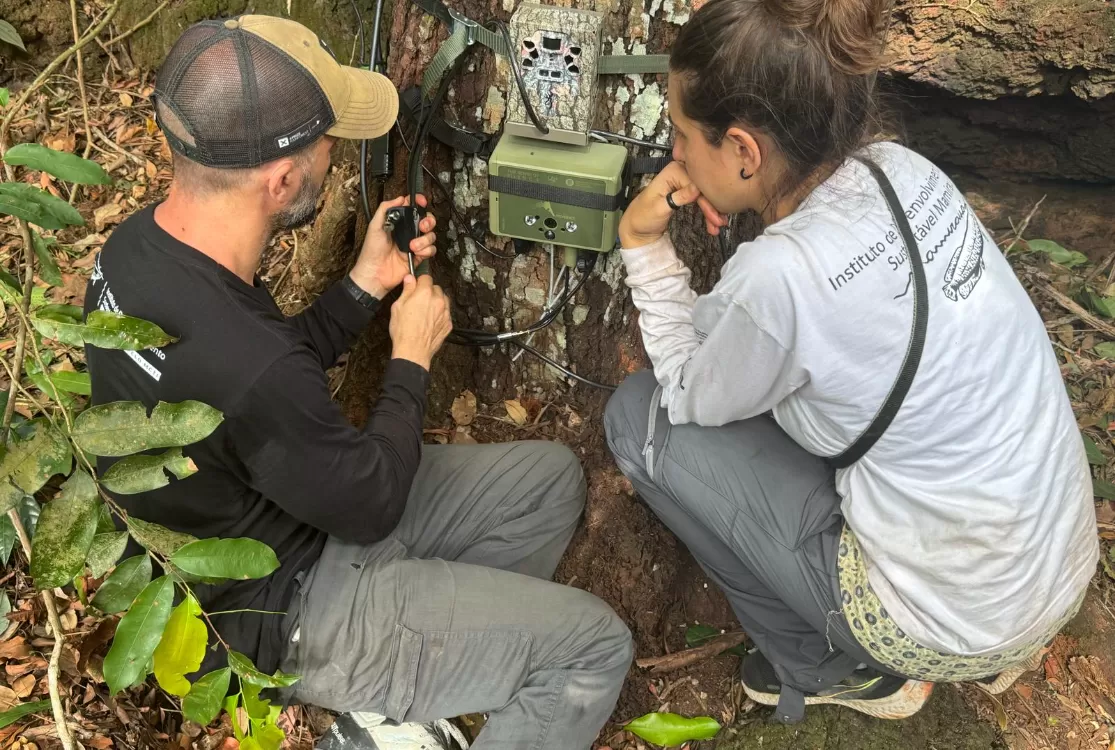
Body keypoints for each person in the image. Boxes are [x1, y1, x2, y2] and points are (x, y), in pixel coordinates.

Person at [84, 15, 632, 750]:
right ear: (281, 180)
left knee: (546, 484)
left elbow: (256, 388)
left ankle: (416, 697)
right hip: (287, 605)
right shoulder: (247, 359)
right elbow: (368, 503)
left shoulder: (136, 251)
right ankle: (385, 683)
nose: (335, 154)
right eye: (326, 143)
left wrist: (360, 287)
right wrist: (409, 359)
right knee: (591, 649)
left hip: (287, 509)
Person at [604, 0, 1099, 725]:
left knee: (638, 418)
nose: (675, 157)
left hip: (951, 625)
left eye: (681, 137)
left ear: (743, 151)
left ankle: (831, 668)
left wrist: (643, 248)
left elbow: (687, 391)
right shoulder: (901, 170)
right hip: (1049, 565)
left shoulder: (778, 280)